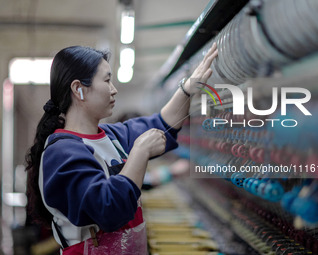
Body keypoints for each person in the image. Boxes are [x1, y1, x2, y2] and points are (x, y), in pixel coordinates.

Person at [25, 43, 217, 254]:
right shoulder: (61, 153)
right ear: (78, 89)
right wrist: (140, 153)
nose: (114, 89)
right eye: (107, 80)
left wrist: (186, 89)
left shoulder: (112, 136)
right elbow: (108, 208)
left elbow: (164, 124)